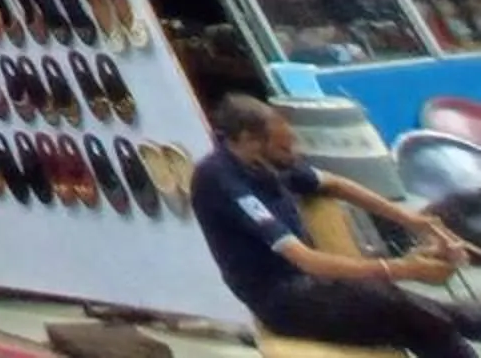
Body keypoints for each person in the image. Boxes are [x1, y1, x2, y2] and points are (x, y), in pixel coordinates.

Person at [191, 96, 479, 358]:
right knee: (417, 314)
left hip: (315, 284)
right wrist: (402, 268)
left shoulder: (266, 160)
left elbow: (335, 184)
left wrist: (410, 219)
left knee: (438, 316)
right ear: (248, 140)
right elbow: (306, 259)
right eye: (284, 147)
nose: (294, 151)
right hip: (283, 297)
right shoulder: (224, 182)